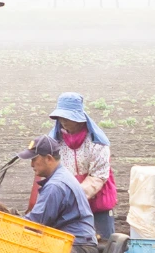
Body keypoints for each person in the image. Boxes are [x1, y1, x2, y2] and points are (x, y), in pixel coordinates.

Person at [38, 92, 117, 239]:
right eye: (61, 118)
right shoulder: (55, 143)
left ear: (79, 118)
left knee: (105, 245)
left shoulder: (97, 142)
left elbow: (98, 176)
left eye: (68, 118)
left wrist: (74, 197)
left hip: (97, 202)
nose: (64, 122)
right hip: (68, 207)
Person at [18, 136, 102, 253]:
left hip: (78, 250)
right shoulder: (62, 176)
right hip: (79, 247)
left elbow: (34, 223)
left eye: (34, 159)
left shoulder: (55, 186)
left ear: (49, 159)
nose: (31, 164)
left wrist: (5, 226)